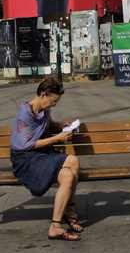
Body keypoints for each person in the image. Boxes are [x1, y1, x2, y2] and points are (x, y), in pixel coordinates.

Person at [10, 76, 84, 241]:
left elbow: (47, 124)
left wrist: (60, 125)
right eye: (53, 101)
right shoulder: (24, 114)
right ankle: (70, 211)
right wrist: (58, 138)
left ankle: (55, 226)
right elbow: (27, 145)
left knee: (68, 175)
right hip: (25, 160)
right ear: (44, 94)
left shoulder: (43, 110)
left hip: (42, 155)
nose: (54, 104)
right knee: (72, 161)